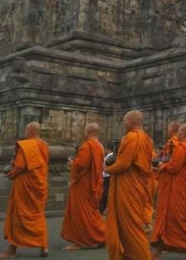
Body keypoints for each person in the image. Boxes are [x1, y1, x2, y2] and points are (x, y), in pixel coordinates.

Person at [0, 122, 49, 259]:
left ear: (27, 130)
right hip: (39, 185)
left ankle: (11, 250)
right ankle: (44, 246)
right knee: (37, 214)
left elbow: (20, 166)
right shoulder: (44, 145)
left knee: (19, 215)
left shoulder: (27, 146)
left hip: (25, 186)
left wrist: (10, 174)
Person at [104, 110, 153, 260]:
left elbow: (123, 164)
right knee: (127, 224)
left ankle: (142, 256)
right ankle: (129, 255)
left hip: (129, 187)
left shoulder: (133, 137)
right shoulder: (146, 138)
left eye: (125, 121)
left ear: (132, 122)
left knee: (132, 226)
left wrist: (107, 169)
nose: (124, 124)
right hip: (136, 185)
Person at [151, 124, 186, 260]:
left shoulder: (183, 147)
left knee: (180, 220)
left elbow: (173, 167)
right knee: (173, 219)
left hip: (179, 191)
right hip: (183, 189)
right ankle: (158, 250)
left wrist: (162, 166)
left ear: (183, 133)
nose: (177, 134)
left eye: (179, 132)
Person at [61, 123, 106, 250]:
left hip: (83, 185)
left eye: (84, 131)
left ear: (89, 132)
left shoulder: (87, 146)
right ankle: (100, 235)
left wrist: (72, 164)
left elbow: (80, 165)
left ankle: (78, 241)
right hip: (95, 183)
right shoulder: (100, 146)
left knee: (79, 212)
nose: (83, 134)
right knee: (92, 212)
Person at [99, 143, 113, 214]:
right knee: (105, 194)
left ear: (108, 149)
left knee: (105, 194)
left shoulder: (110, 156)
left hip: (107, 177)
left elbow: (104, 166)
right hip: (106, 176)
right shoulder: (109, 156)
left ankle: (101, 209)